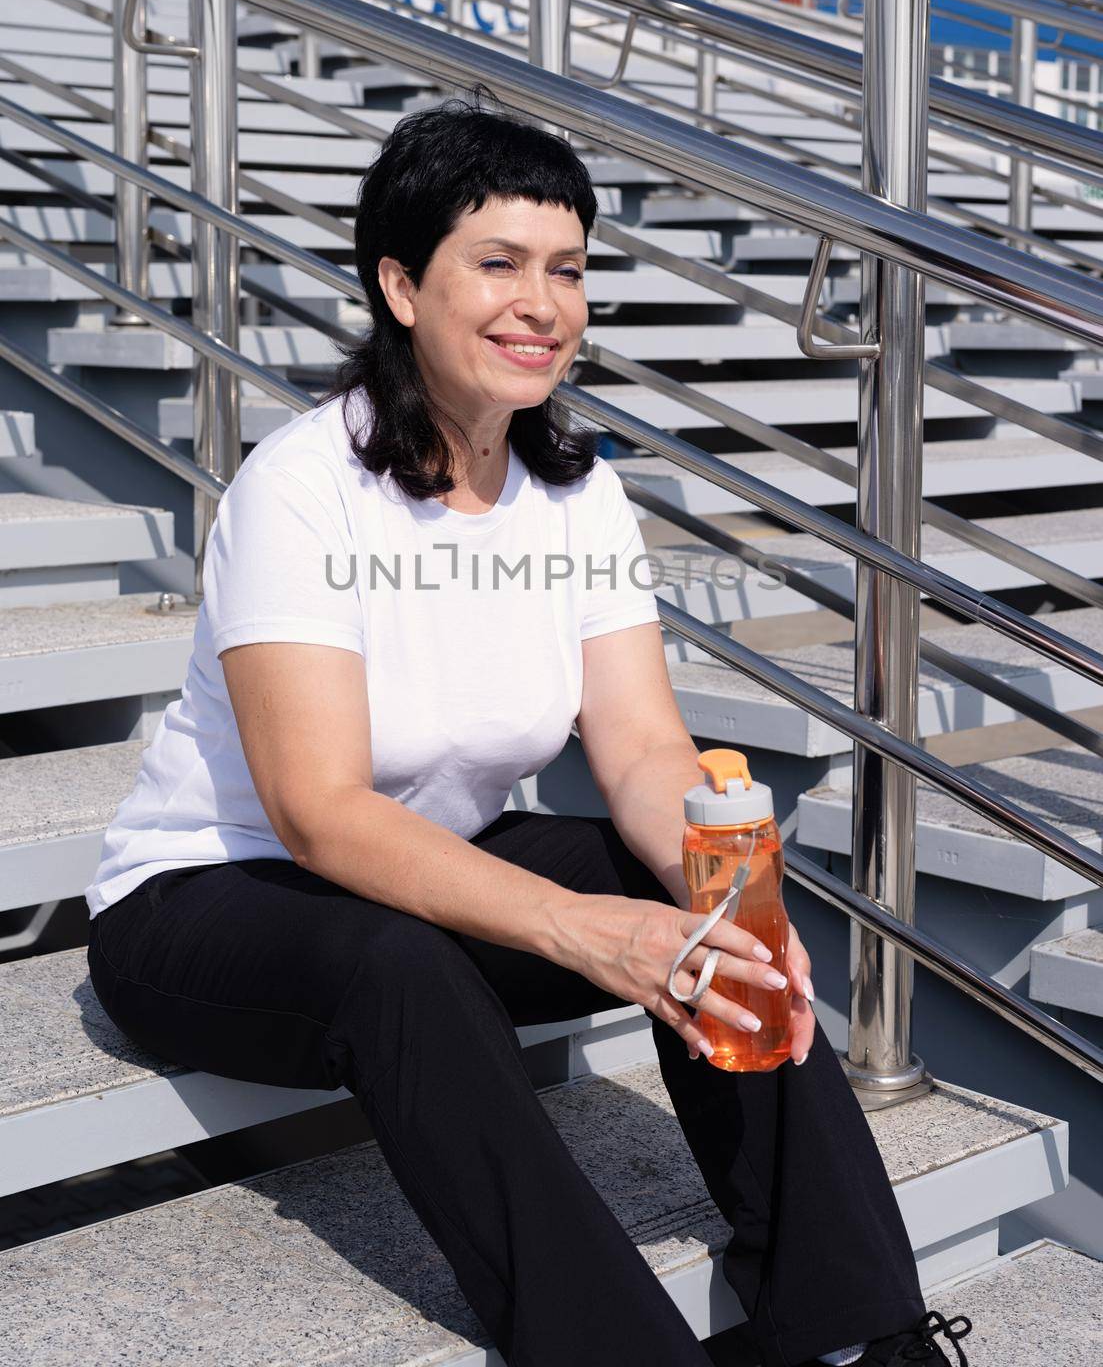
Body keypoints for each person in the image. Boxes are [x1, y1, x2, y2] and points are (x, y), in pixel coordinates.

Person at [85, 89, 971, 1367]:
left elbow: (641, 750)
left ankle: (860, 1338)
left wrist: (728, 900)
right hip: (207, 901)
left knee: (725, 922)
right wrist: (581, 929)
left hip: (415, 888)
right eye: (494, 263)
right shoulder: (300, 490)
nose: (539, 303)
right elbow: (316, 809)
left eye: (565, 269)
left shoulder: (577, 493)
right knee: (403, 965)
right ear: (399, 285)